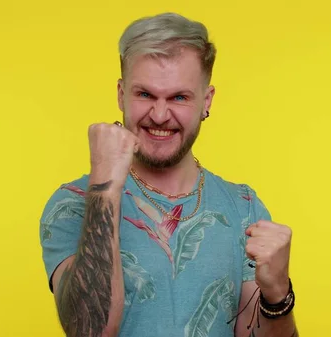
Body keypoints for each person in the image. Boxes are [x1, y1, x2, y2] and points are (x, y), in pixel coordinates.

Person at [39, 12, 299, 337]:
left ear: (206, 101)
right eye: (145, 94)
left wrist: (278, 296)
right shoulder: (73, 204)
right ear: (121, 95)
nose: (160, 115)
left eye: (179, 97)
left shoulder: (244, 207)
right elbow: (91, 331)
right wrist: (104, 185)